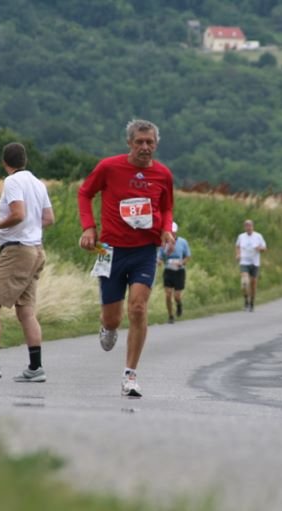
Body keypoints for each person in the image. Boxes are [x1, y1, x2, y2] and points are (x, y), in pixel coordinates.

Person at [78, 119, 175, 398]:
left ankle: (130, 375)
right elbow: (85, 193)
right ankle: (107, 327)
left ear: (156, 144)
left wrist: (166, 230)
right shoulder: (109, 167)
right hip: (110, 250)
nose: (145, 147)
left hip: (145, 250)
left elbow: (167, 208)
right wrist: (89, 227)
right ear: (129, 144)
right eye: (139, 142)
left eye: (150, 142)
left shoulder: (163, 174)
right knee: (112, 318)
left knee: (138, 309)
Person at [0, 142, 55, 381]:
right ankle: (35, 368)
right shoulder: (38, 183)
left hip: (17, 252)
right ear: (24, 160)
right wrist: (27, 228)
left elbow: (17, 213)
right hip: (36, 250)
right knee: (26, 310)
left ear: (5, 162)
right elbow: (48, 218)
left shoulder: (12, 181)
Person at [157, 221, 191, 324]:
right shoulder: (164, 244)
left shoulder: (183, 242)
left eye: (174, 232)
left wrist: (182, 262)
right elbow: (160, 256)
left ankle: (179, 304)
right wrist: (159, 261)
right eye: (170, 232)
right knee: (168, 294)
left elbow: (188, 256)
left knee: (177, 295)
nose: (172, 234)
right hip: (168, 270)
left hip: (179, 271)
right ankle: (170, 315)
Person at [235, 219, 267, 312]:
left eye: (250, 226)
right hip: (244, 261)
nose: (248, 228)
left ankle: (252, 302)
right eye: (246, 226)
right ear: (244, 227)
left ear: (253, 227)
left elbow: (265, 248)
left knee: (253, 283)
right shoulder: (241, 236)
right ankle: (246, 301)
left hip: (255, 262)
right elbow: (237, 246)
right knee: (244, 282)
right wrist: (237, 254)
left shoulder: (258, 236)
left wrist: (260, 249)